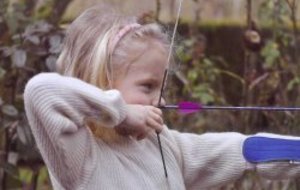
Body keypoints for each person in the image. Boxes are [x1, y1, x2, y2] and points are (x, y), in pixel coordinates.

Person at [24, 5, 300, 190]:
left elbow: (241, 149)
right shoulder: (79, 156)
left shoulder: (164, 145)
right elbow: (41, 92)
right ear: (102, 82)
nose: (159, 100)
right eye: (147, 87)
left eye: (161, 88)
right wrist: (122, 113)